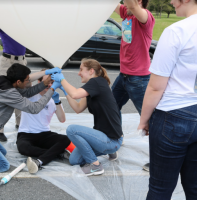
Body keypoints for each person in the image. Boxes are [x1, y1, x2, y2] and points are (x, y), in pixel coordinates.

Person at [137, 0, 197, 198]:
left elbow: (155, 86)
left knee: (160, 188)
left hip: (174, 114)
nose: (171, 1)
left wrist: (144, 120)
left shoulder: (177, 31)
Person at [51, 59, 123, 176]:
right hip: (106, 139)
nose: (78, 73)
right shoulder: (93, 87)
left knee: (72, 130)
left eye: (81, 70)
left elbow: (75, 94)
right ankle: (111, 151)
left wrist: (62, 79)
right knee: (74, 160)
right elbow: (78, 108)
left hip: (111, 140)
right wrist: (64, 91)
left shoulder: (97, 82)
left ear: (91, 71)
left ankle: (95, 165)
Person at [113, 0, 155, 172]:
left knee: (150, 121)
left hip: (139, 79)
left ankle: (159, 161)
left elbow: (132, 5)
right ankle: (116, 138)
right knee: (111, 107)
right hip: (123, 76)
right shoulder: (126, 13)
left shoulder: (145, 17)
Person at [16, 69, 71, 174]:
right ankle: (57, 153)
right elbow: (26, 80)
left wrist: (57, 101)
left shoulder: (53, 98)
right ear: (39, 82)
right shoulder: (29, 93)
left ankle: (41, 160)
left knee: (65, 139)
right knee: (23, 148)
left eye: (52, 82)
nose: (49, 85)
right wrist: (45, 72)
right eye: (47, 81)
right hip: (26, 133)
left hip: (44, 134)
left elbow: (62, 119)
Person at [0, 15, 27, 142]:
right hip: (7, 61)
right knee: (2, 92)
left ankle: (20, 123)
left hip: (21, 60)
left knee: (20, 93)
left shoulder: (24, 27)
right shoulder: (5, 25)